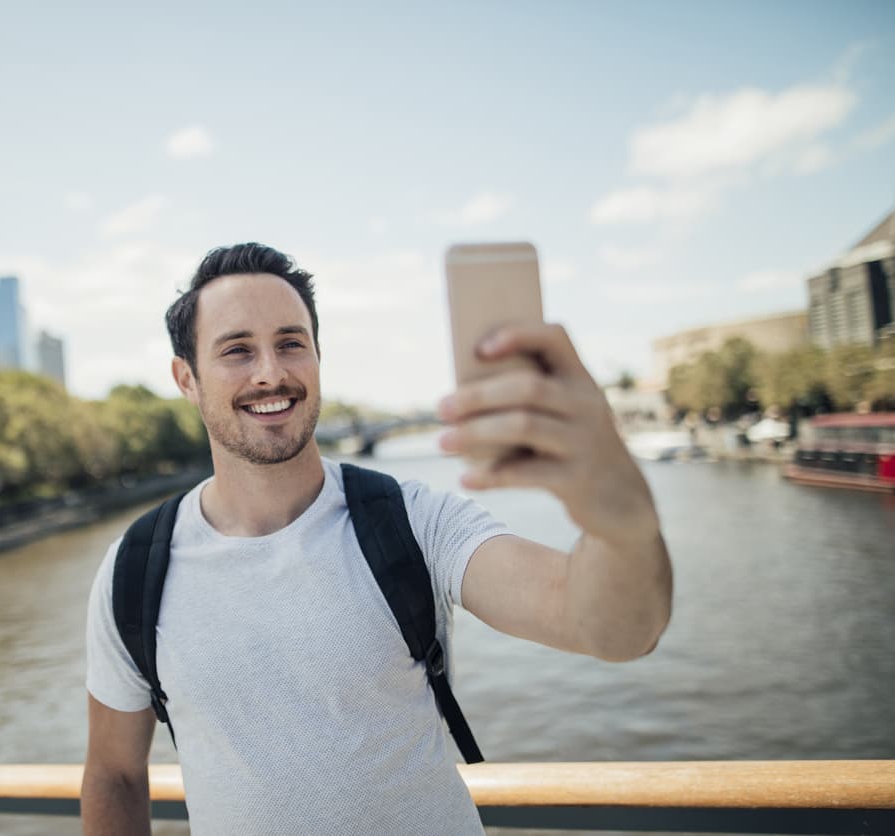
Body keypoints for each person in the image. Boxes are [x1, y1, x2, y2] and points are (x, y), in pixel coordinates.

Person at [82, 242, 672, 835]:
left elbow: (615, 630)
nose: (271, 372)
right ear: (186, 378)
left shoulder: (410, 522)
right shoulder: (134, 571)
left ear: (317, 357)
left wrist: (620, 517)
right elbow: (115, 775)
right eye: (237, 350)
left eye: (292, 343)